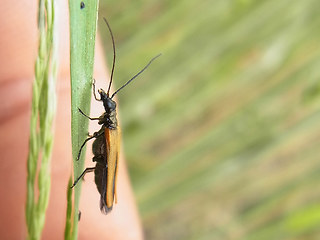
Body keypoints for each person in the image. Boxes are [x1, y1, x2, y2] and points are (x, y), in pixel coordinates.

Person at [0, 1, 143, 239]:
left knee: (97, 164)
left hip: (103, 171)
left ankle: (102, 195)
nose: (105, 100)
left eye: (106, 102)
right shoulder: (109, 126)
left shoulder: (108, 130)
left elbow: (100, 152)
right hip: (103, 163)